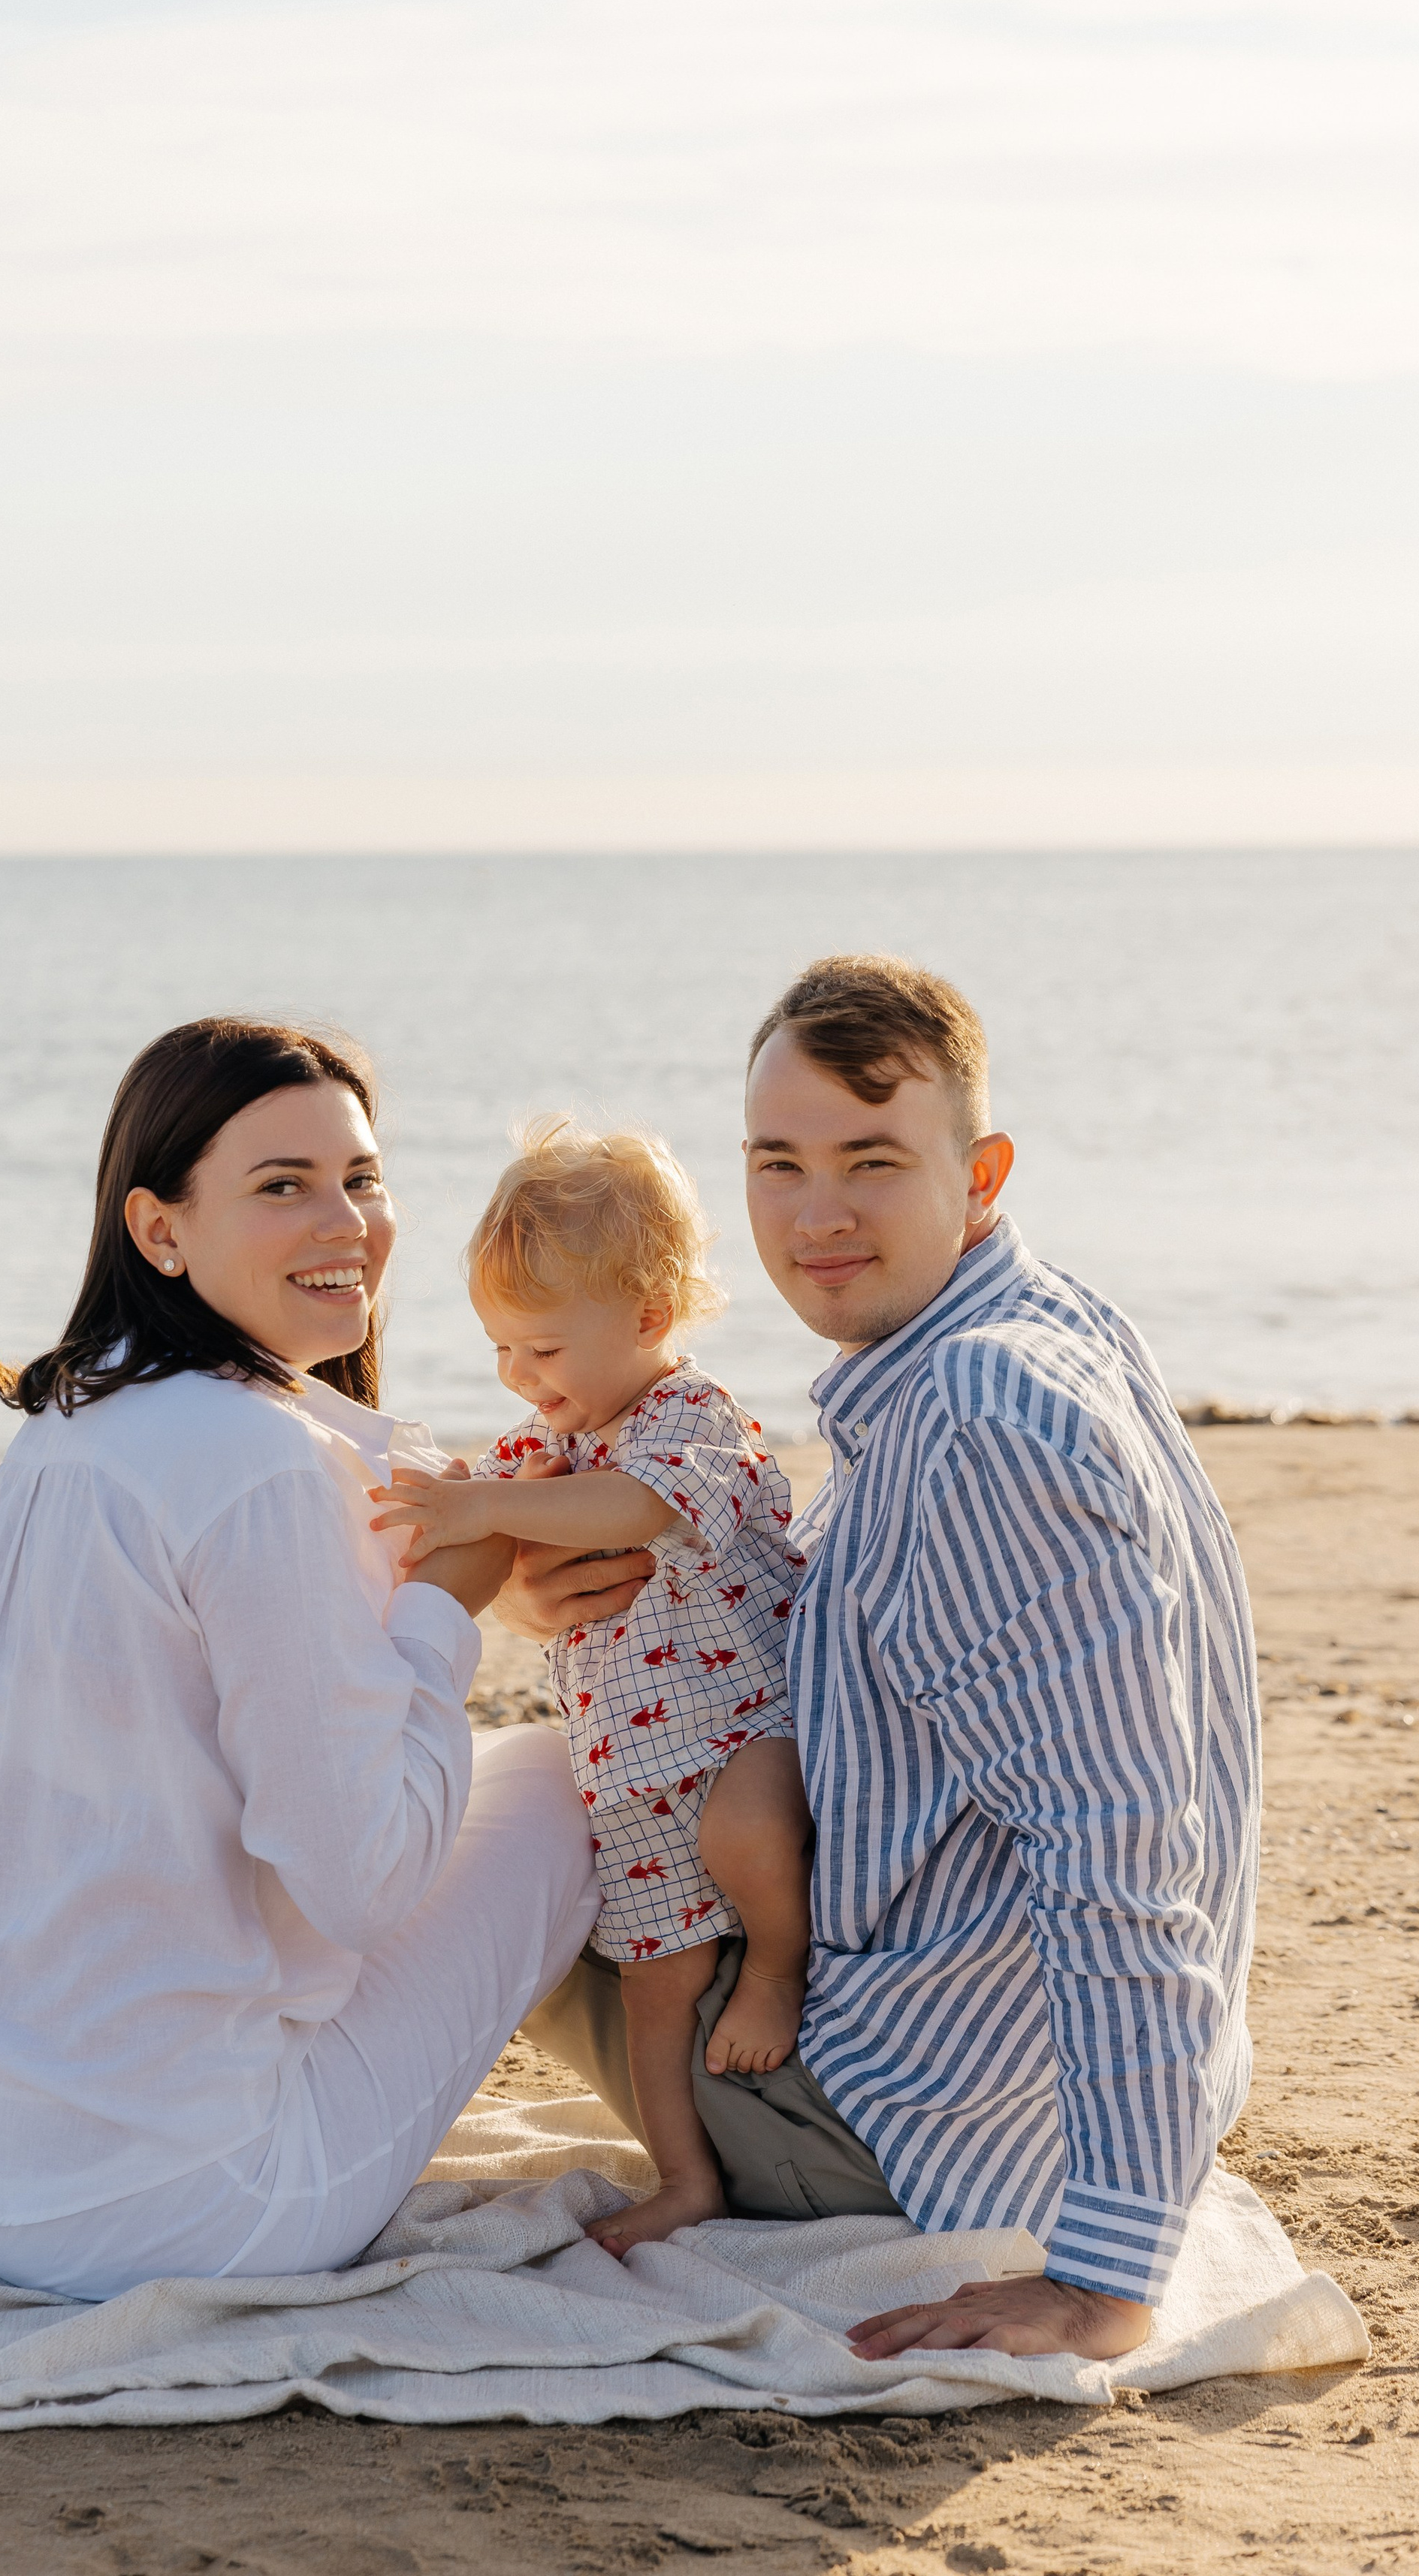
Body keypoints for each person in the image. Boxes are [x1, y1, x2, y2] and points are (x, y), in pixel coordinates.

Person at [513, 955, 1260, 2365]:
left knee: (468, 1830)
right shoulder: (1034, 1325)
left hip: (891, 2121)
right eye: (778, 1163)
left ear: (978, 1172)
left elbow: (1117, 1837)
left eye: (871, 1160)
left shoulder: (978, 1415)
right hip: (988, 2070)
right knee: (548, 1783)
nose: (818, 1214)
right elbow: (906, 1657)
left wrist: (1105, 2271)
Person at [0, 1017, 596, 2300]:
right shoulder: (263, 1464)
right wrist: (447, 1609)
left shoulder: (86, 1402)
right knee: (561, 1780)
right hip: (172, 2203)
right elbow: (362, 1883)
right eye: (282, 1186)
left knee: (461, 1773)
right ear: (160, 1228)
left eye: (363, 1178)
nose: (347, 1224)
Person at [372, 1116, 813, 2254]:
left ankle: (776, 1963)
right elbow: (479, 1523)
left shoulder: (691, 1421)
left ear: (650, 1320)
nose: (522, 1378)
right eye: (500, 1352)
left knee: (756, 1829)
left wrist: (493, 1512)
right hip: (631, 1780)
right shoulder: (540, 1447)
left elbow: (631, 1509)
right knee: (652, 1995)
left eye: (545, 1351)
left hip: (737, 1732)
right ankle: (685, 2178)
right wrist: (443, 1520)